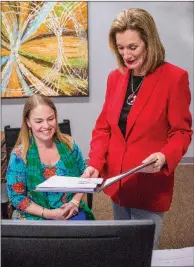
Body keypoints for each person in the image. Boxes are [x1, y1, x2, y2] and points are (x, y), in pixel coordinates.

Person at [82, 8, 193, 248]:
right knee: (123, 251)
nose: (126, 55)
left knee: (142, 253)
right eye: (120, 48)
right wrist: (95, 163)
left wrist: (165, 156)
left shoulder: (174, 78)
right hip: (117, 184)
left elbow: (181, 132)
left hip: (148, 184)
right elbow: (104, 127)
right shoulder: (116, 77)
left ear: (149, 42)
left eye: (132, 47)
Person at [6, 94, 95, 221]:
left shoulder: (70, 145)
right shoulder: (19, 156)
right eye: (39, 121)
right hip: (34, 215)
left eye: (50, 119)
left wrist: (75, 202)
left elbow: (85, 179)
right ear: (28, 122)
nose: (46, 125)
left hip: (70, 210)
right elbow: (16, 197)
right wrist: (49, 214)